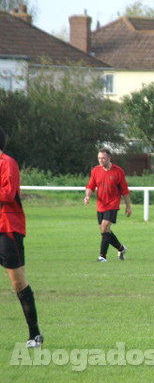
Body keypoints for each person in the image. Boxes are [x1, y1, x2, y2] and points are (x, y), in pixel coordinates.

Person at [0, 127, 44, 348]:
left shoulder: (7, 162)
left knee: (18, 282)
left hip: (7, 227)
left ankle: (34, 333)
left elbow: (7, 194)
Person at [84, 148, 132, 262]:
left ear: (109, 158)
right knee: (104, 231)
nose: (101, 160)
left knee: (105, 227)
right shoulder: (95, 170)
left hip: (113, 204)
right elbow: (90, 186)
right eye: (99, 158)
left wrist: (128, 206)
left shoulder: (118, 171)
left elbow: (125, 190)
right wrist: (87, 196)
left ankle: (102, 256)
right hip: (100, 204)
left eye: (103, 158)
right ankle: (121, 248)